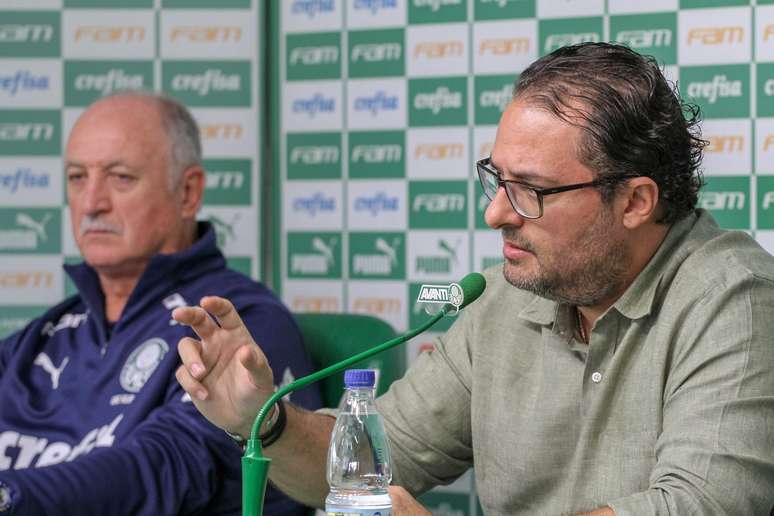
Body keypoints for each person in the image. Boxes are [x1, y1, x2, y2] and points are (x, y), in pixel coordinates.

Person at [173, 43, 774, 515]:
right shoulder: (503, 298)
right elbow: (370, 467)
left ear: (635, 201)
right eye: (497, 179)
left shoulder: (734, 298)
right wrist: (267, 421)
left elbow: (700, 503)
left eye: (531, 191)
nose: (496, 214)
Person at [0, 92, 322, 515]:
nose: (92, 203)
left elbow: (165, 469)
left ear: (188, 192)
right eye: (77, 177)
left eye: (120, 178)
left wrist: (9, 496)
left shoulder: (237, 324)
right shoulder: (47, 333)